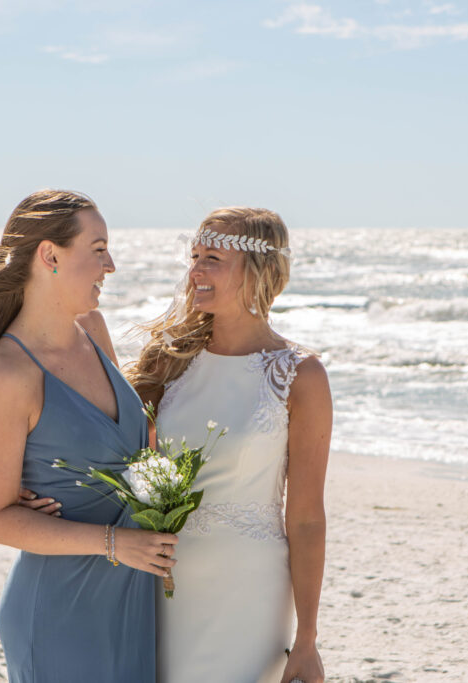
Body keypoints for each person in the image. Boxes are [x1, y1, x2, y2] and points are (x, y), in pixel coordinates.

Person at [0, 189, 177, 683]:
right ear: (50, 255)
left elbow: (133, 453)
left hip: (130, 600)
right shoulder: (11, 374)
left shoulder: (95, 331)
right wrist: (114, 543)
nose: (112, 265)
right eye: (98, 249)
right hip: (61, 610)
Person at [125, 207, 332, 683]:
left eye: (212, 258)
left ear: (258, 271)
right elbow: (116, 446)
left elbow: (304, 518)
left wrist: (307, 639)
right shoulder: (169, 359)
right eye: (194, 256)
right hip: (162, 582)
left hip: (249, 589)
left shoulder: (299, 375)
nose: (195, 270)